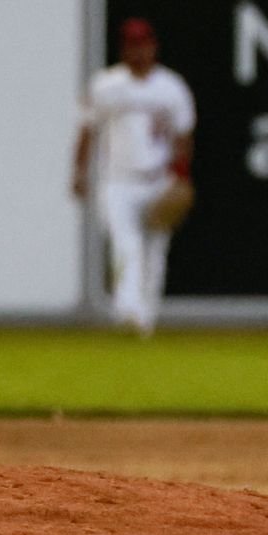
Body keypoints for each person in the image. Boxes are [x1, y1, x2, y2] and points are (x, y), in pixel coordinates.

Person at [72, 17, 196, 336]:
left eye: (142, 44)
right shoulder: (106, 85)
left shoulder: (171, 87)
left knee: (155, 253)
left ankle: (146, 319)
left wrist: (181, 176)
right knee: (126, 245)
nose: (137, 50)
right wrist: (79, 171)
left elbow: (184, 135)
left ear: (153, 46)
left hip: (158, 179)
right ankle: (128, 309)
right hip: (118, 180)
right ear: (123, 49)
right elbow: (87, 129)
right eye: (131, 44)